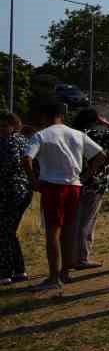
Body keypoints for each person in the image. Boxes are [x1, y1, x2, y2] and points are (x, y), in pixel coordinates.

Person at [21, 101, 107, 291]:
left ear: (45, 116)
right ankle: (65, 274)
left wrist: (34, 181)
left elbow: (27, 158)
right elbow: (101, 156)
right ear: (62, 115)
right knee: (68, 231)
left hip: (52, 187)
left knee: (53, 232)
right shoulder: (77, 134)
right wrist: (85, 175)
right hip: (74, 186)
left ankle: (53, 277)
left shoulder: (41, 135)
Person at [71, 108, 109, 272]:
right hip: (94, 183)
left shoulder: (72, 134)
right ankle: (82, 257)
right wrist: (105, 122)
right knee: (87, 221)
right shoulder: (96, 135)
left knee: (76, 220)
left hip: (74, 180)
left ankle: (72, 255)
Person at [0, 112, 33, 284]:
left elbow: (7, 166)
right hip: (22, 190)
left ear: (11, 125)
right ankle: (18, 270)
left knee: (5, 232)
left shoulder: (9, 142)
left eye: (4, 126)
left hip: (10, 192)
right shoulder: (22, 140)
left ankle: (5, 272)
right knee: (9, 231)